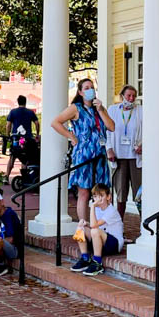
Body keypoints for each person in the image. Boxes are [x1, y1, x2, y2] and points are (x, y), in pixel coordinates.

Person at [51, 78, 114, 239]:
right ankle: (84, 227)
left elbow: (111, 126)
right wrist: (71, 136)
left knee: (101, 191)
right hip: (84, 156)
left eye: (92, 87)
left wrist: (101, 110)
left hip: (99, 155)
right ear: (80, 92)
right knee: (84, 192)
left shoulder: (98, 108)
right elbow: (56, 122)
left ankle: (103, 227)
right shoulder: (75, 108)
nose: (90, 90)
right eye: (86, 88)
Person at [106, 85, 142, 222]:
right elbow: (107, 132)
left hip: (135, 157)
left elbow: (148, 130)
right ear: (122, 96)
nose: (131, 98)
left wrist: (142, 145)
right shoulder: (113, 110)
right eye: (128, 95)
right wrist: (109, 149)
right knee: (121, 193)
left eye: (134, 96)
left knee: (139, 193)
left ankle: (144, 226)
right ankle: (118, 225)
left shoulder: (140, 110)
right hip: (119, 157)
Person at [70, 183, 123, 277]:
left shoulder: (111, 211)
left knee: (95, 230)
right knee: (81, 227)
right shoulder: (97, 209)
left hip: (114, 245)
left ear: (108, 197)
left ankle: (98, 263)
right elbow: (93, 225)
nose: (98, 199)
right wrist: (85, 224)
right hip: (100, 242)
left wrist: (93, 206)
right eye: (95, 196)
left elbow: (94, 226)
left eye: (101, 196)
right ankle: (85, 258)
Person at [5, 95, 40, 178]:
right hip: (28, 139)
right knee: (25, 158)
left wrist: (8, 135)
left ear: (18, 102)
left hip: (15, 138)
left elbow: (8, 125)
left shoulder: (13, 112)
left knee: (12, 157)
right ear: (25, 102)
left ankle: (6, 176)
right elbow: (37, 123)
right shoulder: (30, 112)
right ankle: (24, 177)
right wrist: (37, 134)